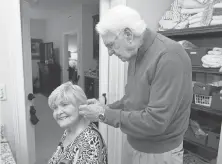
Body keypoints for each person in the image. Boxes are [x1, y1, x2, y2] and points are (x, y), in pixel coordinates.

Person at [79, 5, 193, 164]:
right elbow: (132, 100)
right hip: (134, 144)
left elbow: (156, 122)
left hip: (159, 153)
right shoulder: (136, 54)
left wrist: (103, 114)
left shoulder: (169, 56)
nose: (110, 52)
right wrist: (105, 108)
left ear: (128, 34)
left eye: (111, 45)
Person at [47, 82, 107, 164]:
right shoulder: (69, 130)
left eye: (64, 104)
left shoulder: (90, 141)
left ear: (81, 106)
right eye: (55, 108)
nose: (58, 112)